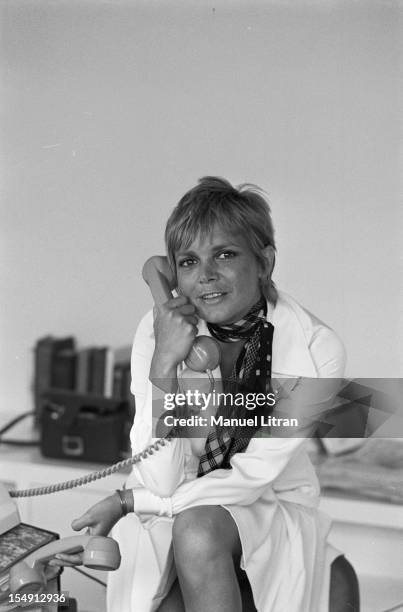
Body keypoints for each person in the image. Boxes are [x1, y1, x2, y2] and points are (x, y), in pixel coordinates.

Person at [50, 177, 346, 611]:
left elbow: (253, 476)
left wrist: (130, 500)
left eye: (225, 255)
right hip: (175, 501)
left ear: (264, 262)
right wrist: (164, 365)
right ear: (171, 274)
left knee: (197, 530)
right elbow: (161, 476)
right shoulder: (160, 332)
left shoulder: (318, 349)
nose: (205, 276)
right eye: (188, 262)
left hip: (267, 504)